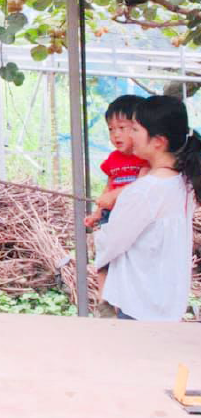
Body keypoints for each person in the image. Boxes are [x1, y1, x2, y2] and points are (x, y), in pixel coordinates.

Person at [94, 95, 200, 321]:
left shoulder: (144, 191)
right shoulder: (185, 182)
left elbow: (114, 241)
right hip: (168, 300)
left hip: (139, 302)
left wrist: (98, 235)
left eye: (134, 129)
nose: (128, 136)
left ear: (158, 141)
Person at [84, 95, 149, 312]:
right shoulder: (113, 160)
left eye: (122, 127)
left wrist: (116, 195)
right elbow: (108, 186)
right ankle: (105, 301)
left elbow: (142, 185)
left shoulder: (144, 159)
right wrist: (97, 212)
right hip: (111, 215)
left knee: (126, 260)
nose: (116, 134)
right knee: (103, 258)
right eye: (111, 129)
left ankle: (124, 301)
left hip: (131, 217)